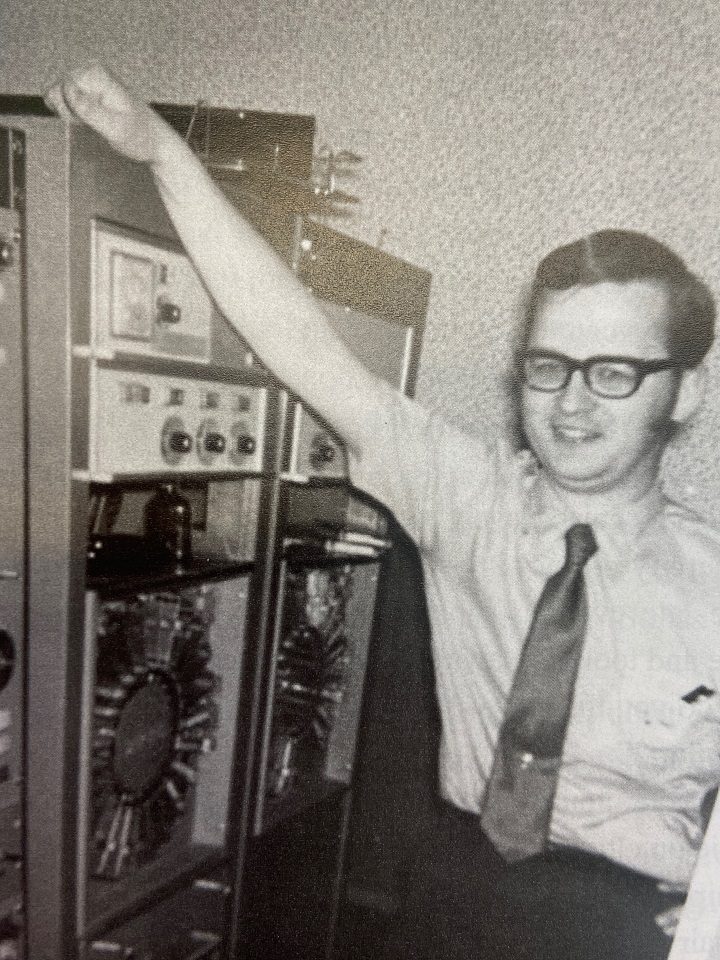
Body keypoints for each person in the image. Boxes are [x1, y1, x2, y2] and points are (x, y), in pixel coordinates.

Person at [46, 66, 720, 960]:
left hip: (633, 924)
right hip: (457, 889)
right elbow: (297, 341)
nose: (571, 403)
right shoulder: (465, 493)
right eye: (548, 366)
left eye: (613, 373)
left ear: (683, 393)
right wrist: (162, 153)